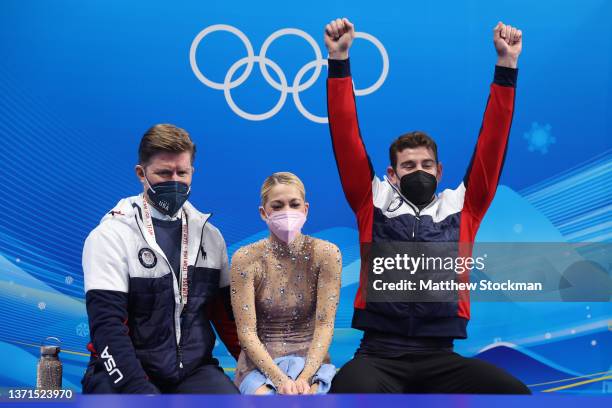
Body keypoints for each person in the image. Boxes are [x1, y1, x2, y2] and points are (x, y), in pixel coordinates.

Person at [324, 18, 531, 394]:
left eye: (426, 165)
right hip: (378, 355)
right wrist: (339, 61)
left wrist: (506, 67)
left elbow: (493, 142)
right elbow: (345, 135)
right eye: (408, 166)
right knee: (347, 390)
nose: (418, 171)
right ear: (392, 173)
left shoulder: (464, 206)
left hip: (442, 357)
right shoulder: (373, 201)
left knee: (513, 394)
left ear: (440, 170)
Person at [81, 124, 240, 394]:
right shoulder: (110, 236)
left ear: (193, 172)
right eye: (164, 173)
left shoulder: (210, 237)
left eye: (183, 172)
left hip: (193, 370)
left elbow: (229, 322)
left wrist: (266, 374)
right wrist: (139, 391)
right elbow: (107, 327)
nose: (175, 181)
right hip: (122, 371)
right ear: (141, 173)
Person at [230, 172, 342, 395]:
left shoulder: (327, 254)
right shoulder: (245, 258)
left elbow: (324, 325)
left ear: (305, 210)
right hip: (258, 366)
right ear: (264, 213)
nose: (287, 212)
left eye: (294, 204)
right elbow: (246, 333)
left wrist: (305, 377)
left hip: (312, 362)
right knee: (270, 400)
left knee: (313, 398)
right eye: (278, 206)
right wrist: (280, 379)